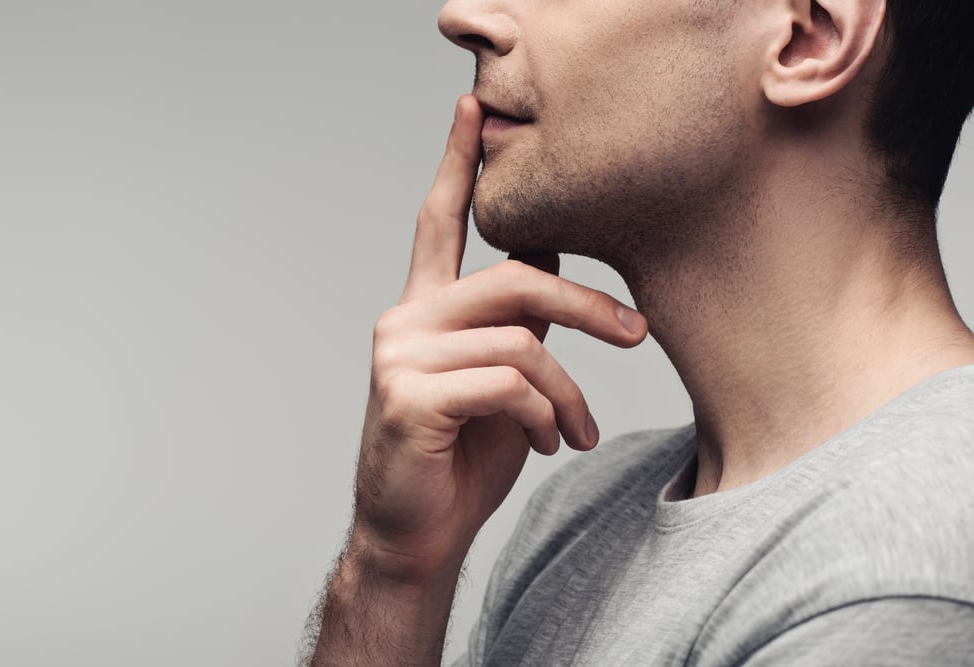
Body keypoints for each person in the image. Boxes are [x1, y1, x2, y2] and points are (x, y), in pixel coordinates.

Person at [304, 0, 974, 664]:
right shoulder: (579, 517)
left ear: (808, 36)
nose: (464, 17)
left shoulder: (893, 571)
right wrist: (391, 575)